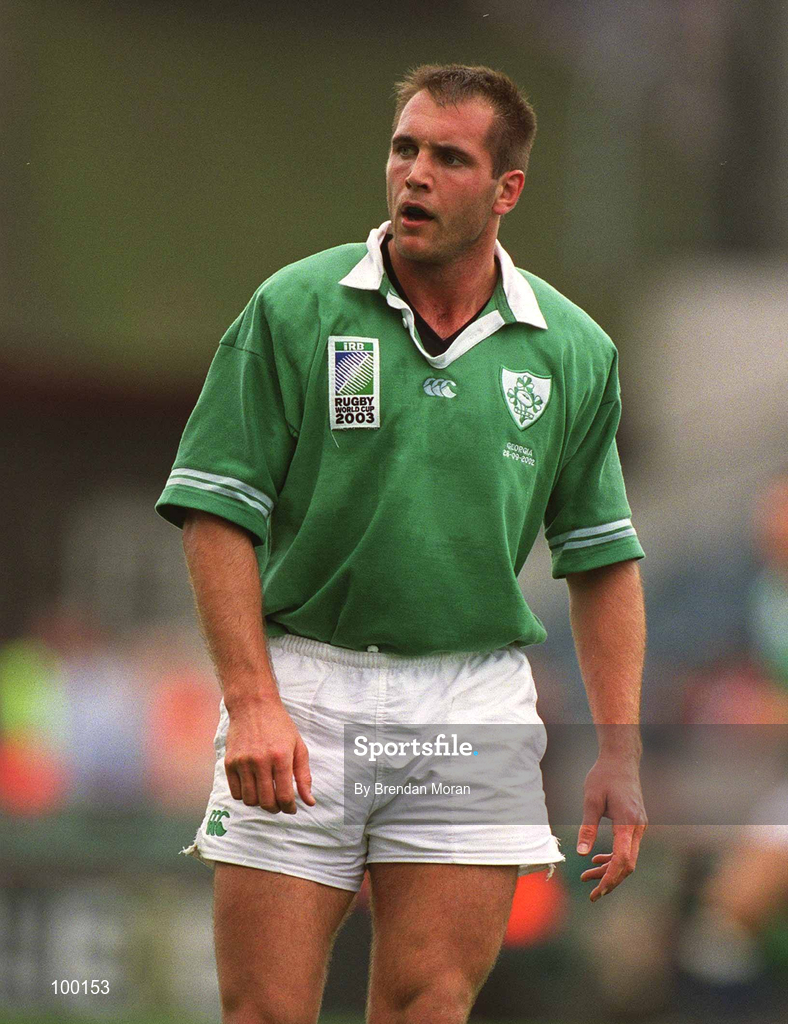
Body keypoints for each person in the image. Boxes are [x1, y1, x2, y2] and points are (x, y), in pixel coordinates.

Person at [156, 64, 648, 1024]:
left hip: (472, 695)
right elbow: (217, 512)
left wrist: (619, 753)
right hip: (304, 694)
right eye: (404, 148)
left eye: (449, 157)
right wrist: (251, 700)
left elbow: (601, 558)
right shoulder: (294, 308)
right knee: (264, 1013)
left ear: (506, 190)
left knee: (429, 1005)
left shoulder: (574, 350)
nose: (414, 174)